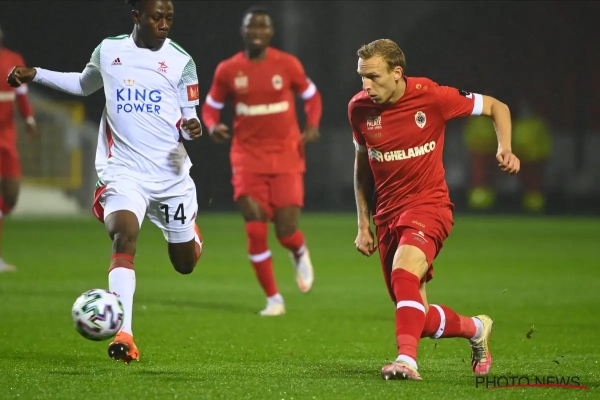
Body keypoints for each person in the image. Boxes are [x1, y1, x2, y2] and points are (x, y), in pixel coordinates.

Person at [7, 0, 204, 363]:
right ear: (137, 17)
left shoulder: (182, 61)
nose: (164, 24)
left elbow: (189, 121)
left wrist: (193, 128)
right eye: (156, 17)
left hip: (170, 176)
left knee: (185, 263)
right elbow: (83, 85)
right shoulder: (109, 50)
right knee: (123, 235)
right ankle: (125, 334)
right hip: (122, 171)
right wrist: (36, 73)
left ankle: (189, 231)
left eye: (169, 18)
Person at [349, 39, 520, 380]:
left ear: (397, 73)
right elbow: (362, 169)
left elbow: (496, 106)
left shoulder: (432, 97)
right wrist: (363, 224)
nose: (367, 85)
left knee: (403, 275)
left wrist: (505, 147)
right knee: (417, 316)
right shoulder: (359, 109)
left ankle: (406, 361)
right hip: (387, 216)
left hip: (429, 206)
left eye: (374, 76)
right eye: (362, 77)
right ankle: (476, 328)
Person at [201, 6, 322, 316]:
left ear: (271, 32)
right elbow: (210, 107)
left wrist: (312, 124)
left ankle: (298, 249)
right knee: (255, 228)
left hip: (286, 156)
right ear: (242, 31)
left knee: (286, 231)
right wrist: (212, 126)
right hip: (247, 157)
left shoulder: (287, 64)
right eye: (251, 26)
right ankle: (274, 300)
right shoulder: (228, 70)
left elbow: (311, 95)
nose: (256, 31)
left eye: (262, 27)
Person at [0, 24, 37, 273]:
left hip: (6, 135)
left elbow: (21, 94)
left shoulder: (13, 60)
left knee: (11, 195)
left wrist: (29, 118)